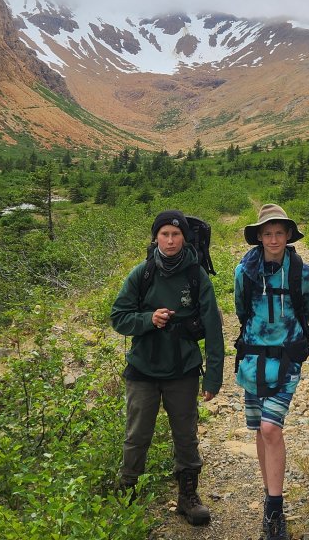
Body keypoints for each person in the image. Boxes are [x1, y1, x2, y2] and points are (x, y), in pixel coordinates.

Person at [110, 210, 224, 526]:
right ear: (156, 237)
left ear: (184, 238)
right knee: (136, 435)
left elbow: (214, 327)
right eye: (164, 234)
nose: (170, 240)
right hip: (143, 370)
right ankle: (128, 492)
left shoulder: (196, 275)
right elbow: (118, 317)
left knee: (185, 435)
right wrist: (148, 320)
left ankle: (188, 496)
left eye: (176, 235)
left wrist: (214, 375)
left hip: (183, 369)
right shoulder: (142, 274)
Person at [234, 203, 309, 540]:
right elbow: (242, 310)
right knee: (259, 429)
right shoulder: (245, 271)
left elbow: (305, 310)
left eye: (278, 232)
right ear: (259, 237)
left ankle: (274, 508)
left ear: (287, 235)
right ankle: (270, 494)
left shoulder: (303, 273)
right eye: (267, 233)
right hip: (253, 360)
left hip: (287, 359)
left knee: (270, 427)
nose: (273, 238)